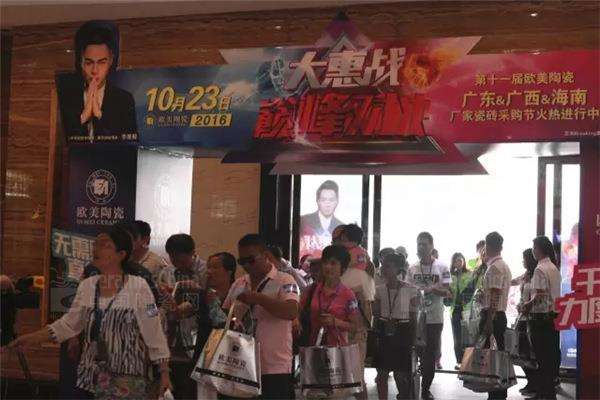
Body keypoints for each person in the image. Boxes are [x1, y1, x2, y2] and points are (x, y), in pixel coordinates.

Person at [6, 226, 172, 399]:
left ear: (121, 254)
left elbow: (154, 331)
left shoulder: (139, 286)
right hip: (93, 375)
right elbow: (68, 324)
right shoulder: (88, 285)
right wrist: (33, 337)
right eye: (96, 243)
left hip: (127, 376)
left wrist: (164, 373)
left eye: (105, 245)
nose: (96, 248)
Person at [223, 234, 300, 400]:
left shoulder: (285, 280)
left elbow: (291, 311)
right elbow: (225, 316)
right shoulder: (239, 283)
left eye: (251, 260)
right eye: (242, 261)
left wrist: (259, 299)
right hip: (241, 363)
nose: (246, 265)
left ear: (265, 256)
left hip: (273, 366)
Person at [58, 21, 136, 143]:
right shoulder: (66, 97)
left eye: (101, 62)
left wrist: (99, 115)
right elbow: (63, 143)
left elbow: (129, 145)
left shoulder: (124, 100)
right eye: (89, 63)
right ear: (80, 62)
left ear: (111, 60)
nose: (95, 71)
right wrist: (84, 116)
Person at [157, 234, 207, 400]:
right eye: (173, 258)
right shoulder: (166, 272)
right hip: (171, 341)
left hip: (196, 341)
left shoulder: (206, 271)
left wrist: (194, 292)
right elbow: (160, 306)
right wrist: (165, 298)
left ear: (193, 253)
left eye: (181, 260)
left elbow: (203, 304)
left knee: (191, 391)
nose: (177, 263)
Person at [406, 232, 450, 400]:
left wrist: (432, 289)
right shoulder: (412, 268)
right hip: (415, 317)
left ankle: (425, 389)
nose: (421, 247)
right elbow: (407, 292)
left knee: (429, 355)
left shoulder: (443, 267)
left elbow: (448, 292)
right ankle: (411, 387)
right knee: (415, 352)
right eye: (419, 244)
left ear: (432, 246)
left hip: (434, 318)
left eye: (424, 244)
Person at [373, 253, 419, 400]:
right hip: (383, 329)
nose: (383, 269)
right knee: (381, 374)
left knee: (401, 375)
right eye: (383, 265)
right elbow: (376, 314)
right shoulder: (379, 289)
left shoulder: (408, 289)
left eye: (388, 266)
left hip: (403, 331)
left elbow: (412, 317)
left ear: (398, 268)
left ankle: (404, 396)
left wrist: (415, 339)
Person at [522, 236, 561, 400]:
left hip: (540, 319)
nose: (533, 251)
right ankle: (548, 394)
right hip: (553, 317)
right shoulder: (553, 267)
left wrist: (527, 305)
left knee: (542, 359)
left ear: (540, 249)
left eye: (534, 248)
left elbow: (539, 294)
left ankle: (543, 395)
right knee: (550, 359)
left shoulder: (540, 269)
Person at [339, 226, 375, 400]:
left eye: (340, 238)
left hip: (355, 320)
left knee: (356, 373)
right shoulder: (361, 255)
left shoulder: (356, 256)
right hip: (342, 323)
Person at [301, 245, 359, 347]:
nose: (328, 267)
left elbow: (355, 326)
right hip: (312, 346)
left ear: (343, 268)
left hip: (337, 349)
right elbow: (298, 311)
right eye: (325, 262)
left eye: (333, 263)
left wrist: (336, 322)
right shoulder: (311, 289)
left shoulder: (348, 294)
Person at [479, 231, 512, 400]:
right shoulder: (503, 265)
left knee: (492, 358)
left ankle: (496, 394)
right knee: (497, 356)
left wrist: (489, 320)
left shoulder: (494, 267)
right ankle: (498, 393)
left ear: (488, 246)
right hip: (499, 315)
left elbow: (495, 294)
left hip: (494, 317)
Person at [299, 180, 344, 258]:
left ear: (337, 201)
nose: (327, 204)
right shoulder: (303, 221)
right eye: (323, 200)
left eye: (331, 200)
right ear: (317, 201)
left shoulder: (341, 227)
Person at [515, 248, 538, 397]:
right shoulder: (525, 275)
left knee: (528, 353)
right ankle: (531, 381)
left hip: (530, 318)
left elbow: (537, 296)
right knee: (521, 353)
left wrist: (526, 306)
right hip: (521, 317)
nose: (522, 261)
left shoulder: (537, 274)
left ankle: (534, 383)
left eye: (524, 258)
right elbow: (513, 282)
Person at [447, 252, 473, 369]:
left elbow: (474, 289)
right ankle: (459, 361)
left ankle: (468, 361)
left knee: (468, 336)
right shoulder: (450, 276)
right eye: (456, 260)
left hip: (467, 310)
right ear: (453, 263)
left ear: (464, 261)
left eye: (460, 260)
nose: (458, 262)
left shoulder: (470, 274)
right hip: (455, 310)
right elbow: (447, 291)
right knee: (457, 337)